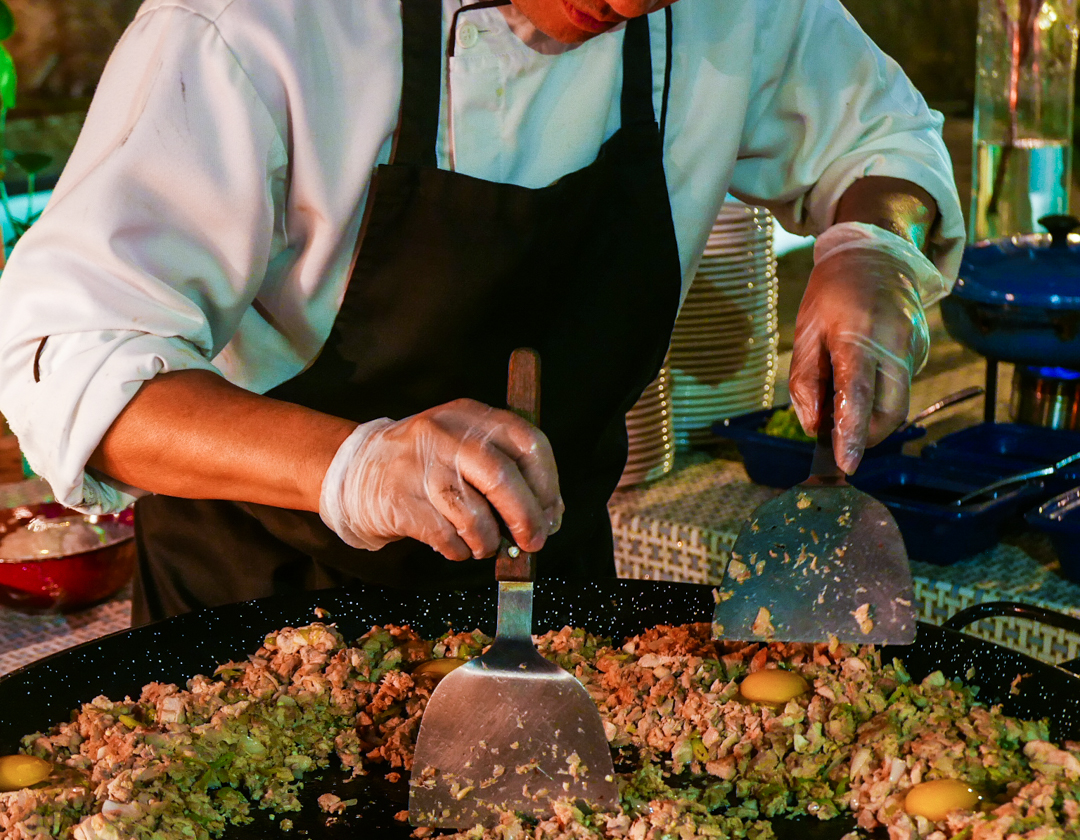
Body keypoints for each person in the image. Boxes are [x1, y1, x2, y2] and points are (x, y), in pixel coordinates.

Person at [0, 0, 963, 623]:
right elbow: (73, 361)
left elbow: (885, 138)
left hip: (564, 616)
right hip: (260, 619)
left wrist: (871, 245)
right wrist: (355, 465)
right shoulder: (253, 26)